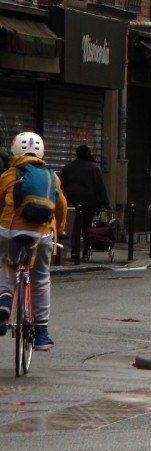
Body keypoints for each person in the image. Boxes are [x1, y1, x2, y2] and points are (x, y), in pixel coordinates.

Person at [0, 132, 67, 350]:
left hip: (10, 231)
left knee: (6, 265)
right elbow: (62, 206)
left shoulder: (8, 175)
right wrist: (62, 230)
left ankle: (4, 302)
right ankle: (41, 333)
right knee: (40, 279)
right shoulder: (53, 177)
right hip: (42, 235)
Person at [59, 145, 109, 261]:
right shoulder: (94, 168)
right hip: (89, 203)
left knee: (73, 227)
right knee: (86, 227)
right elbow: (100, 187)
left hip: (71, 202)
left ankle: (74, 251)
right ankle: (85, 251)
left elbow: (59, 183)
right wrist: (106, 203)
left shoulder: (68, 167)